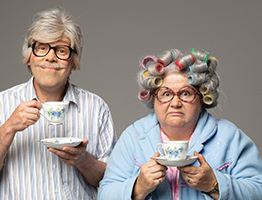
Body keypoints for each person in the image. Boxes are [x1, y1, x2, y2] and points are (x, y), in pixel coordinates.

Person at [0, 7, 117, 199]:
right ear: (28, 57)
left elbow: (112, 182)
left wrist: (83, 160)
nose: (50, 57)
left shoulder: (96, 108)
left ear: (74, 62)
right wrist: (8, 128)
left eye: (62, 50)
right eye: (42, 48)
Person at [98, 49, 262, 200]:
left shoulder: (229, 137)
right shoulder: (133, 136)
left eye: (186, 93)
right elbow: (105, 194)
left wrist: (214, 184)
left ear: (202, 97)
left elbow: (258, 190)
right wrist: (138, 188)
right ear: (153, 98)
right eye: (166, 93)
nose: (175, 103)